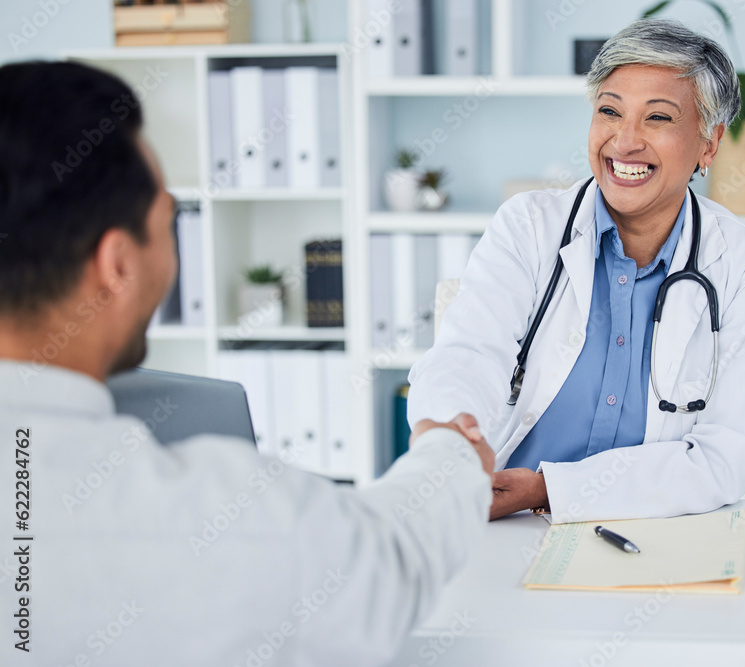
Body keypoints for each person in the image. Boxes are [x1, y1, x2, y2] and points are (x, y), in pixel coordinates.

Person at [0, 61, 494, 665]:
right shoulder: (213, 521)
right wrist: (451, 454)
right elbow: (387, 563)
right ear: (118, 266)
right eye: (168, 223)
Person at [408, 19, 745, 523]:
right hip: (503, 523)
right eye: (609, 111)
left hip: (655, 530)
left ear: (709, 144)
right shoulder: (529, 226)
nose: (624, 141)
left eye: (658, 118)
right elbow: (469, 352)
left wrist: (551, 490)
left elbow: (726, 454)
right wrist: (450, 430)